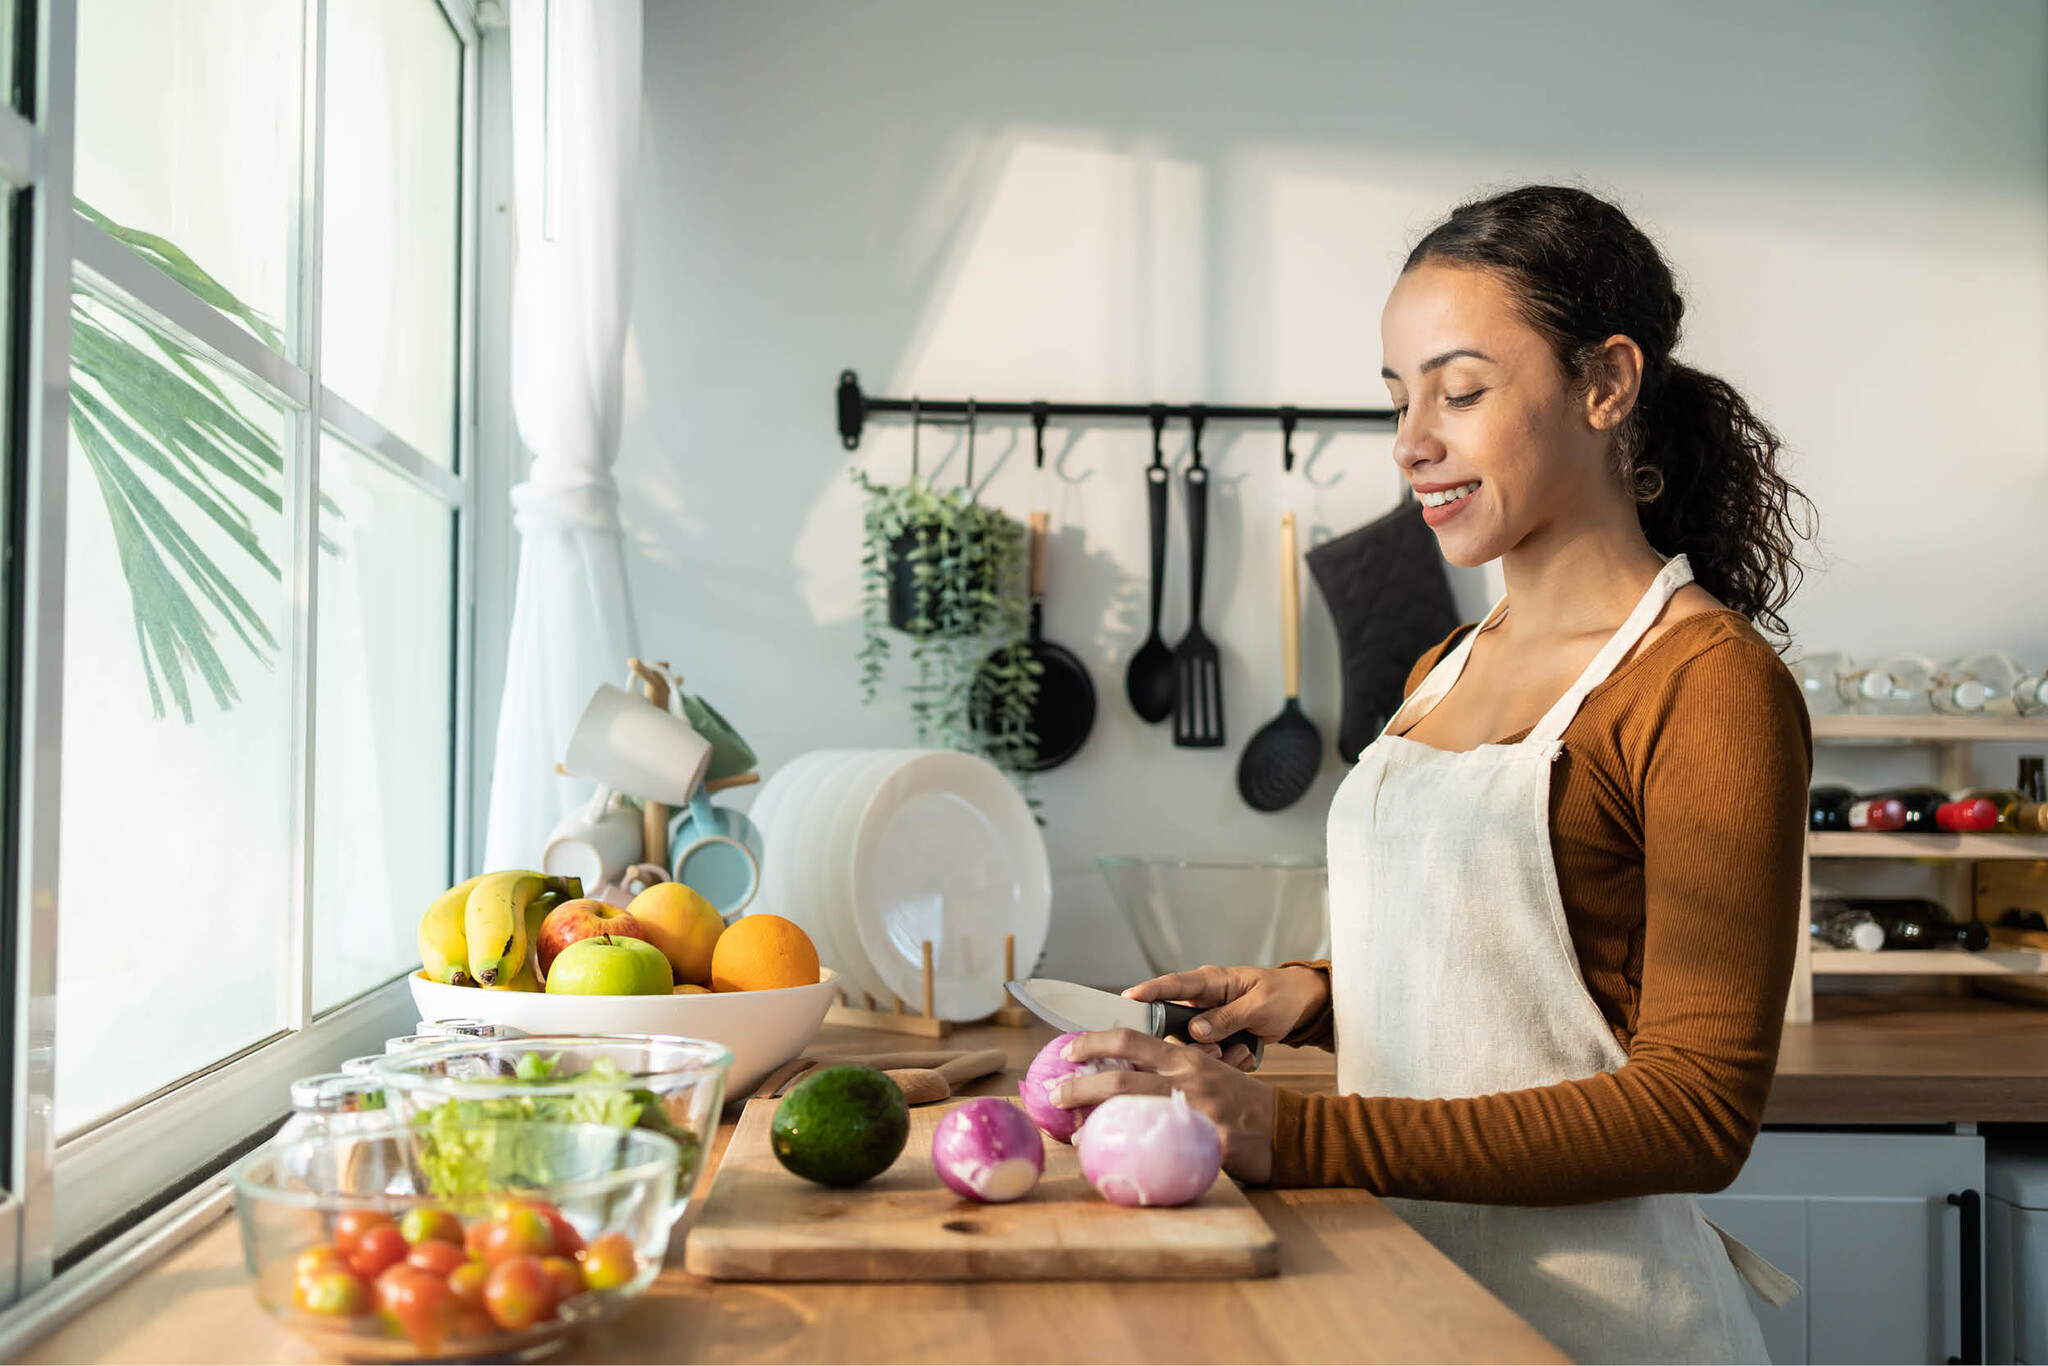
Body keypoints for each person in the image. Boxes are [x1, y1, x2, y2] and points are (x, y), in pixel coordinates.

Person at [1052, 185, 1814, 1364]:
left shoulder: (1704, 683)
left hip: (1592, 1328)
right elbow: (1498, 977)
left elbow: (1693, 1112)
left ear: (1605, 384)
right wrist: (1311, 991)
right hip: (1390, 1299)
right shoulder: (1443, 665)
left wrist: (1292, 1137)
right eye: (1398, 396)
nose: (1411, 441)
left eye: (1458, 392)